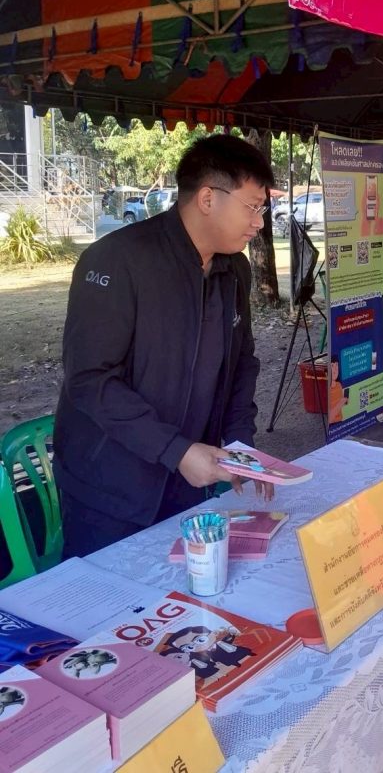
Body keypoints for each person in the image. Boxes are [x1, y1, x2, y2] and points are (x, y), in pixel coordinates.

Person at [53, 134, 274, 558]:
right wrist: (176, 450)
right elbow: (90, 379)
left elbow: (241, 363)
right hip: (110, 485)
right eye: (252, 206)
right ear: (207, 198)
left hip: (186, 476)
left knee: (183, 588)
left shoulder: (234, 269)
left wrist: (240, 445)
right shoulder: (117, 260)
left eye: (262, 209)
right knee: (110, 593)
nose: (259, 222)